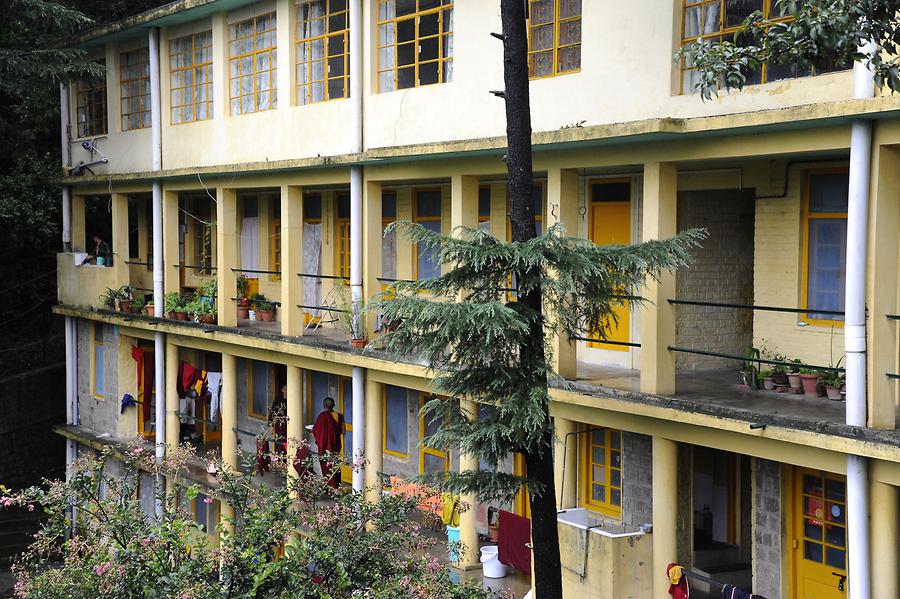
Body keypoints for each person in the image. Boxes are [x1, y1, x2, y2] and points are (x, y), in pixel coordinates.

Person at [312, 396, 345, 488]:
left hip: (325, 447)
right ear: (334, 405)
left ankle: (330, 488)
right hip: (336, 446)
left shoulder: (322, 416)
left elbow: (316, 430)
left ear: (324, 405)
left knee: (327, 466)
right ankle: (337, 486)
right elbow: (343, 431)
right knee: (335, 465)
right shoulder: (339, 416)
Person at [268, 384, 288, 457]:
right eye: (286, 389)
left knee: (287, 441)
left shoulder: (291, 401)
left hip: (287, 424)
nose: (287, 391)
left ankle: (286, 458)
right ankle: (279, 458)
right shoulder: (278, 400)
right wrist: (271, 424)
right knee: (279, 441)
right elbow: (272, 412)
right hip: (279, 424)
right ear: (282, 390)